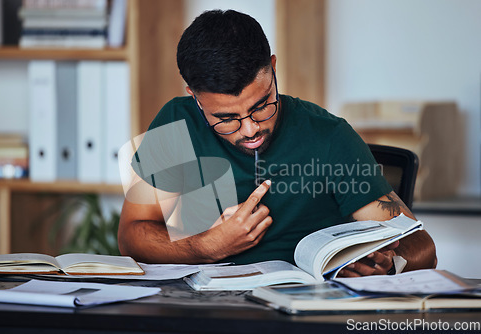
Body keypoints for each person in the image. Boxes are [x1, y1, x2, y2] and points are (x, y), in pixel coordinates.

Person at [118, 9, 436, 277]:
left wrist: (388, 265)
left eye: (261, 106)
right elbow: (131, 236)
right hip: (204, 313)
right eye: (226, 118)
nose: (250, 129)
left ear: (272, 67)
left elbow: (422, 246)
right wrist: (207, 246)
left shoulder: (327, 136)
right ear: (195, 97)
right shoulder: (176, 122)